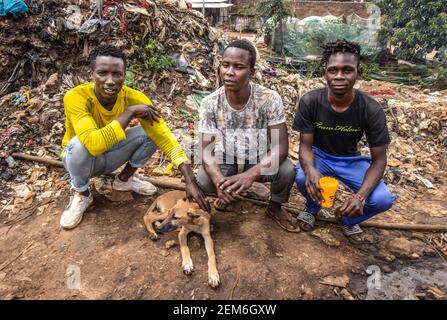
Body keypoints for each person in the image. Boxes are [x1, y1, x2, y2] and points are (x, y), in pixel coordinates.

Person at [60, 44, 209, 229]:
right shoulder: (75, 97)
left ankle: (124, 180)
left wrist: (190, 180)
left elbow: (165, 138)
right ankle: (82, 194)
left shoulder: (135, 97)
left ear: (124, 75)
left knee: (150, 133)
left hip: (110, 156)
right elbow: (94, 145)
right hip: (81, 162)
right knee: (78, 144)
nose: (110, 80)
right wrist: (129, 113)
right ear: (92, 73)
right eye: (102, 73)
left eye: (117, 74)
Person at [293, 40, 395, 244]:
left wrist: (360, 197)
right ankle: (312, 208)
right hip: (319, 155)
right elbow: (305, 146)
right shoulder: (310, 101)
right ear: (325, 73)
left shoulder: (371, 109)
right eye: (333, 70)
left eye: (347, 70)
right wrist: (311, 170)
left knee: (382, 199)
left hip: (351, 161)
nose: (339, 76)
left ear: (359, 72)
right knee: (304, 178)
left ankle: (348, 218)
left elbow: (379, 160)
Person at [197, 39, 300, 233]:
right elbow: (205, 150)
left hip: (259, 158)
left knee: (287, 170)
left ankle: (275, 207)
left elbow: (280, 147)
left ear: (251, 72)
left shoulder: (269, 99)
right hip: (227, 157)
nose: (229, 72)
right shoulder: (209, 103)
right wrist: (219, 180)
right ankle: (229, 194)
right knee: (204, 178)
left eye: (238, 67)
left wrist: (250, 176)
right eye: (225, 65)